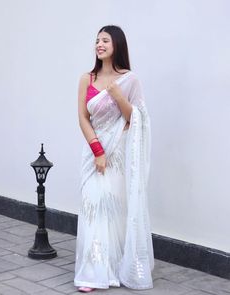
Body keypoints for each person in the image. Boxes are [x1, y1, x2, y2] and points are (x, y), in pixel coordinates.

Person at [74, 25, 154, 293]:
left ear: (117, 44)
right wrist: (97, 151)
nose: (99, 44)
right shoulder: (87, 78)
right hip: (94, 154)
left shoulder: (129, 80)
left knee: (110, 210)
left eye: (105, 40)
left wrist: (119, 97)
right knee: (92, 208)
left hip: (117, 155)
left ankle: (114, 266)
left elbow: (138, 120)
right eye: (97, 40)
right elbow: (83, 117)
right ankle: (92, 272)